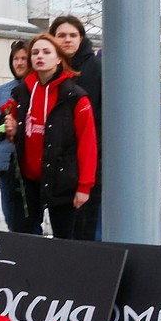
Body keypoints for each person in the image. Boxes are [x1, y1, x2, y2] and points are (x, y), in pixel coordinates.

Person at [3, 33, 98, 240]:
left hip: (63, 182)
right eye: (35, 52)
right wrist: (13, 132)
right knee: (22, 240)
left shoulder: (76, 97)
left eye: (47, 52)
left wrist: (84, 186)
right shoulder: (22, 92)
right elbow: (24, 134)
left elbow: (88, 143)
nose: (40, 56)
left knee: (65, 244)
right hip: (27, 182)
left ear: (59, 59)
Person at [48, 13, 103, 239]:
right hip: (55, 163)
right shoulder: (49, 69)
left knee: (83, 234)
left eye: (73, 35)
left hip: (87, 162)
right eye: (61, 35)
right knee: (61, 232)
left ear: (81, 38)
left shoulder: (96, 68)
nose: (67, 40)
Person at [0, 40, 30, 232]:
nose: (19, 63)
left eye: (23, 58)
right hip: (6, 166)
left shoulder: (37, 90)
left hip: (30, 166)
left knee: (28, 222)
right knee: (11, 219)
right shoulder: (1, 92)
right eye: (15, 59)